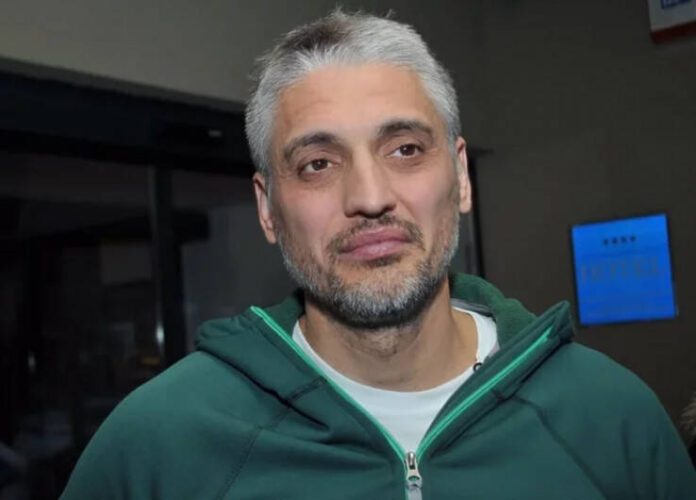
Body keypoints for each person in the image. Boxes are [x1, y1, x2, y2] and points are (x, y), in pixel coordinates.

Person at [61, 10, 696, 499]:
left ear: (461, 176)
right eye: (317, 164)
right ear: (267, 209)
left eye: (405, 150)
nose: (369, 198)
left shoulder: (612, 420)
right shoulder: (157, 446)